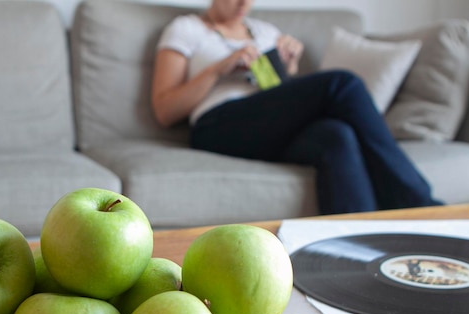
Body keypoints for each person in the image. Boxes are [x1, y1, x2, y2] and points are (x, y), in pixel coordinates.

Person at [151, 0, 442, 215]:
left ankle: (354, 248)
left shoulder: (266, 32)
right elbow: (165, 110)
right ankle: (417, 201)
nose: (244, 4)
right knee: (342, 83)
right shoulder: (186, 28)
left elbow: (282, 98)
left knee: (336, 135)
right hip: (218, 125)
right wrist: (218, 69)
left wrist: (288, 67)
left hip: (271, 127)